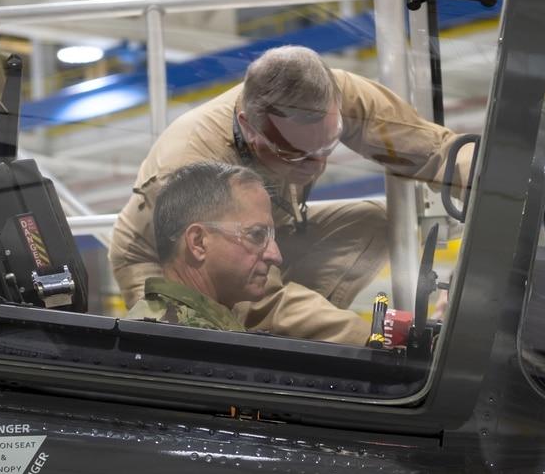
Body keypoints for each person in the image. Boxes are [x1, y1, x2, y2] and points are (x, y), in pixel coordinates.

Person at [111, 45, 475, 346]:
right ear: (247, 128)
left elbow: (434, 150)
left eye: (328, 147)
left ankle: (307, 346)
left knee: (372, 223)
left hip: (262, 226)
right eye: (295, 156)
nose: (317, 167)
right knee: (220, 348)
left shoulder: (331, 94)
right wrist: (390, 334)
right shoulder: (192, 166)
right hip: (165, 257)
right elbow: (259, 303)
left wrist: (494, 198)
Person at [127, 162, 284, 331]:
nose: (275, 256)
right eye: (257, 235)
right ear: (198, 242)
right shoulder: (187, 340)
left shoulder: (168, 329)